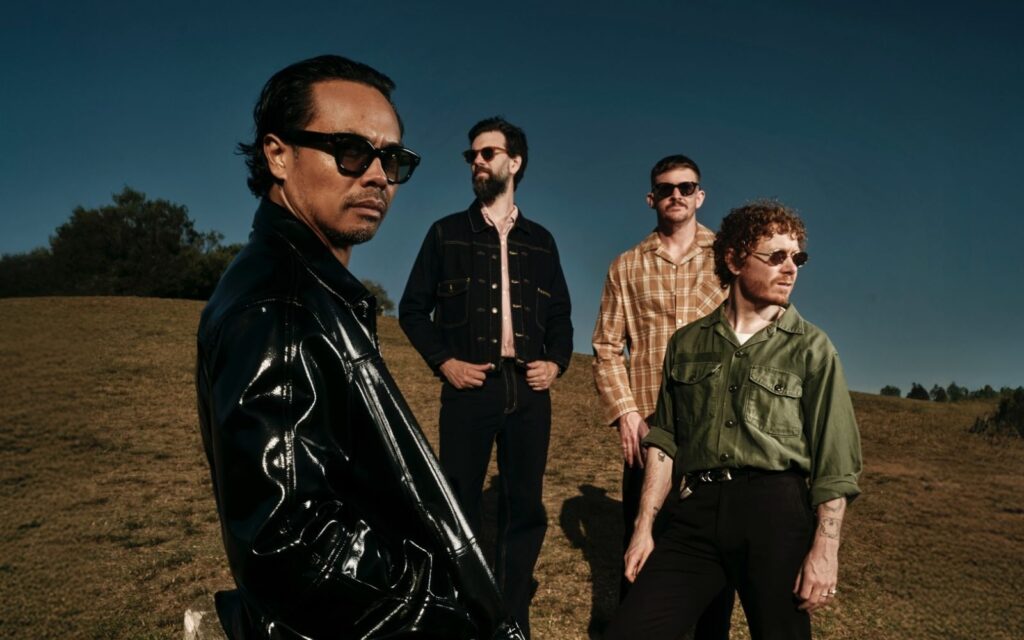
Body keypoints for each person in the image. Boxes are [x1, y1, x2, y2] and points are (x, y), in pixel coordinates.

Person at [196, 55, 522, 640]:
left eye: (391, 159)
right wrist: (449, 612)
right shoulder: (281, 303)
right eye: (350, 151)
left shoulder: (310, 288)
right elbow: (287, 543)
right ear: (278, 155)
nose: (377, 176)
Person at [604, 200, 863, 640]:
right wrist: (643, 528)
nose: (791, 268)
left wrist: (826, 548)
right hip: (696, 513)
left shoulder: (812, 348)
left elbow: (835, 463)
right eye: (776, 256)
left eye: (797, 258)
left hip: (775, 514)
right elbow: (665, 440)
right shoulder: (687, 343)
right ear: (734, 260)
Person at [399, 116, 573, 638]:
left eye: (487, 153)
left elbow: (561, 316)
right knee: (457, 504)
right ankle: (461, 615)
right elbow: (412, 309)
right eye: (471, 155)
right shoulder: (446, 233)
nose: (476, 161)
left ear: (514, 162)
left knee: (525, 508)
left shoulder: (541, 241)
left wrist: (556, 362)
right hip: (469, 389)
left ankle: (512, 620)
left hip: (529, 392)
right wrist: (444, 362)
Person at [591, 154, 734, 637]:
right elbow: (607, 347)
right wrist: (626, 413)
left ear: (700, 196)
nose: (676, 194)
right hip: (651, 429)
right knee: (641, 548)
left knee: (715, 556)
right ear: (651, 198)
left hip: (716, 431)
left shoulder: (729, 258)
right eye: (666, 188)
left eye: (686, 187)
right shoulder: (626, 266)